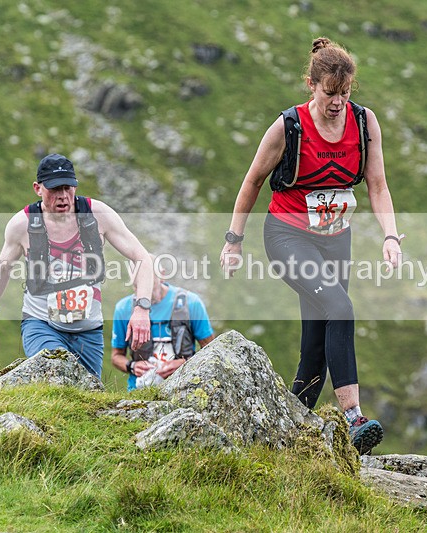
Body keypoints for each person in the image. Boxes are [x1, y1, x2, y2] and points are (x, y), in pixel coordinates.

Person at [220, 38, 402, 454]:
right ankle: (354, 418)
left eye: (345, 92)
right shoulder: (288, 127)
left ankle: (287, 435)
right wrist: (233, 241)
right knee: (340, 308)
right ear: (311, 84)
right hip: (288, 236)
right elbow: (252, 182)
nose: (338, 102)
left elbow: (377, 184)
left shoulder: (364, 122)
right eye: (329, 93)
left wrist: (391, 236)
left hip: (336, 238)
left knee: (316, 343)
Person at [0, 153, 153, 378]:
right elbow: (1, 271)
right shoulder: (22, 224)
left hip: (88, 331)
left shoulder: (98, 215)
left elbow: (142, 258)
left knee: (86, 401)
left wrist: (141, 309)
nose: (63, 196)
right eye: (55, 189)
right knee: (54, 378)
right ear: (38, 189)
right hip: (41, 324)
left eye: (68, 188)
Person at [111, 257, 214, 390]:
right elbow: (116, 356)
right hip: (139, 392)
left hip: (185, 389)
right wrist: (132, 366)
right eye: (137, 286)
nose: (144, 293)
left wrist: (184, 364)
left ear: (162, 275)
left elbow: (211, 351)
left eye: (149, 284)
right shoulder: (123, 309)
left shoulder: (191, 303)